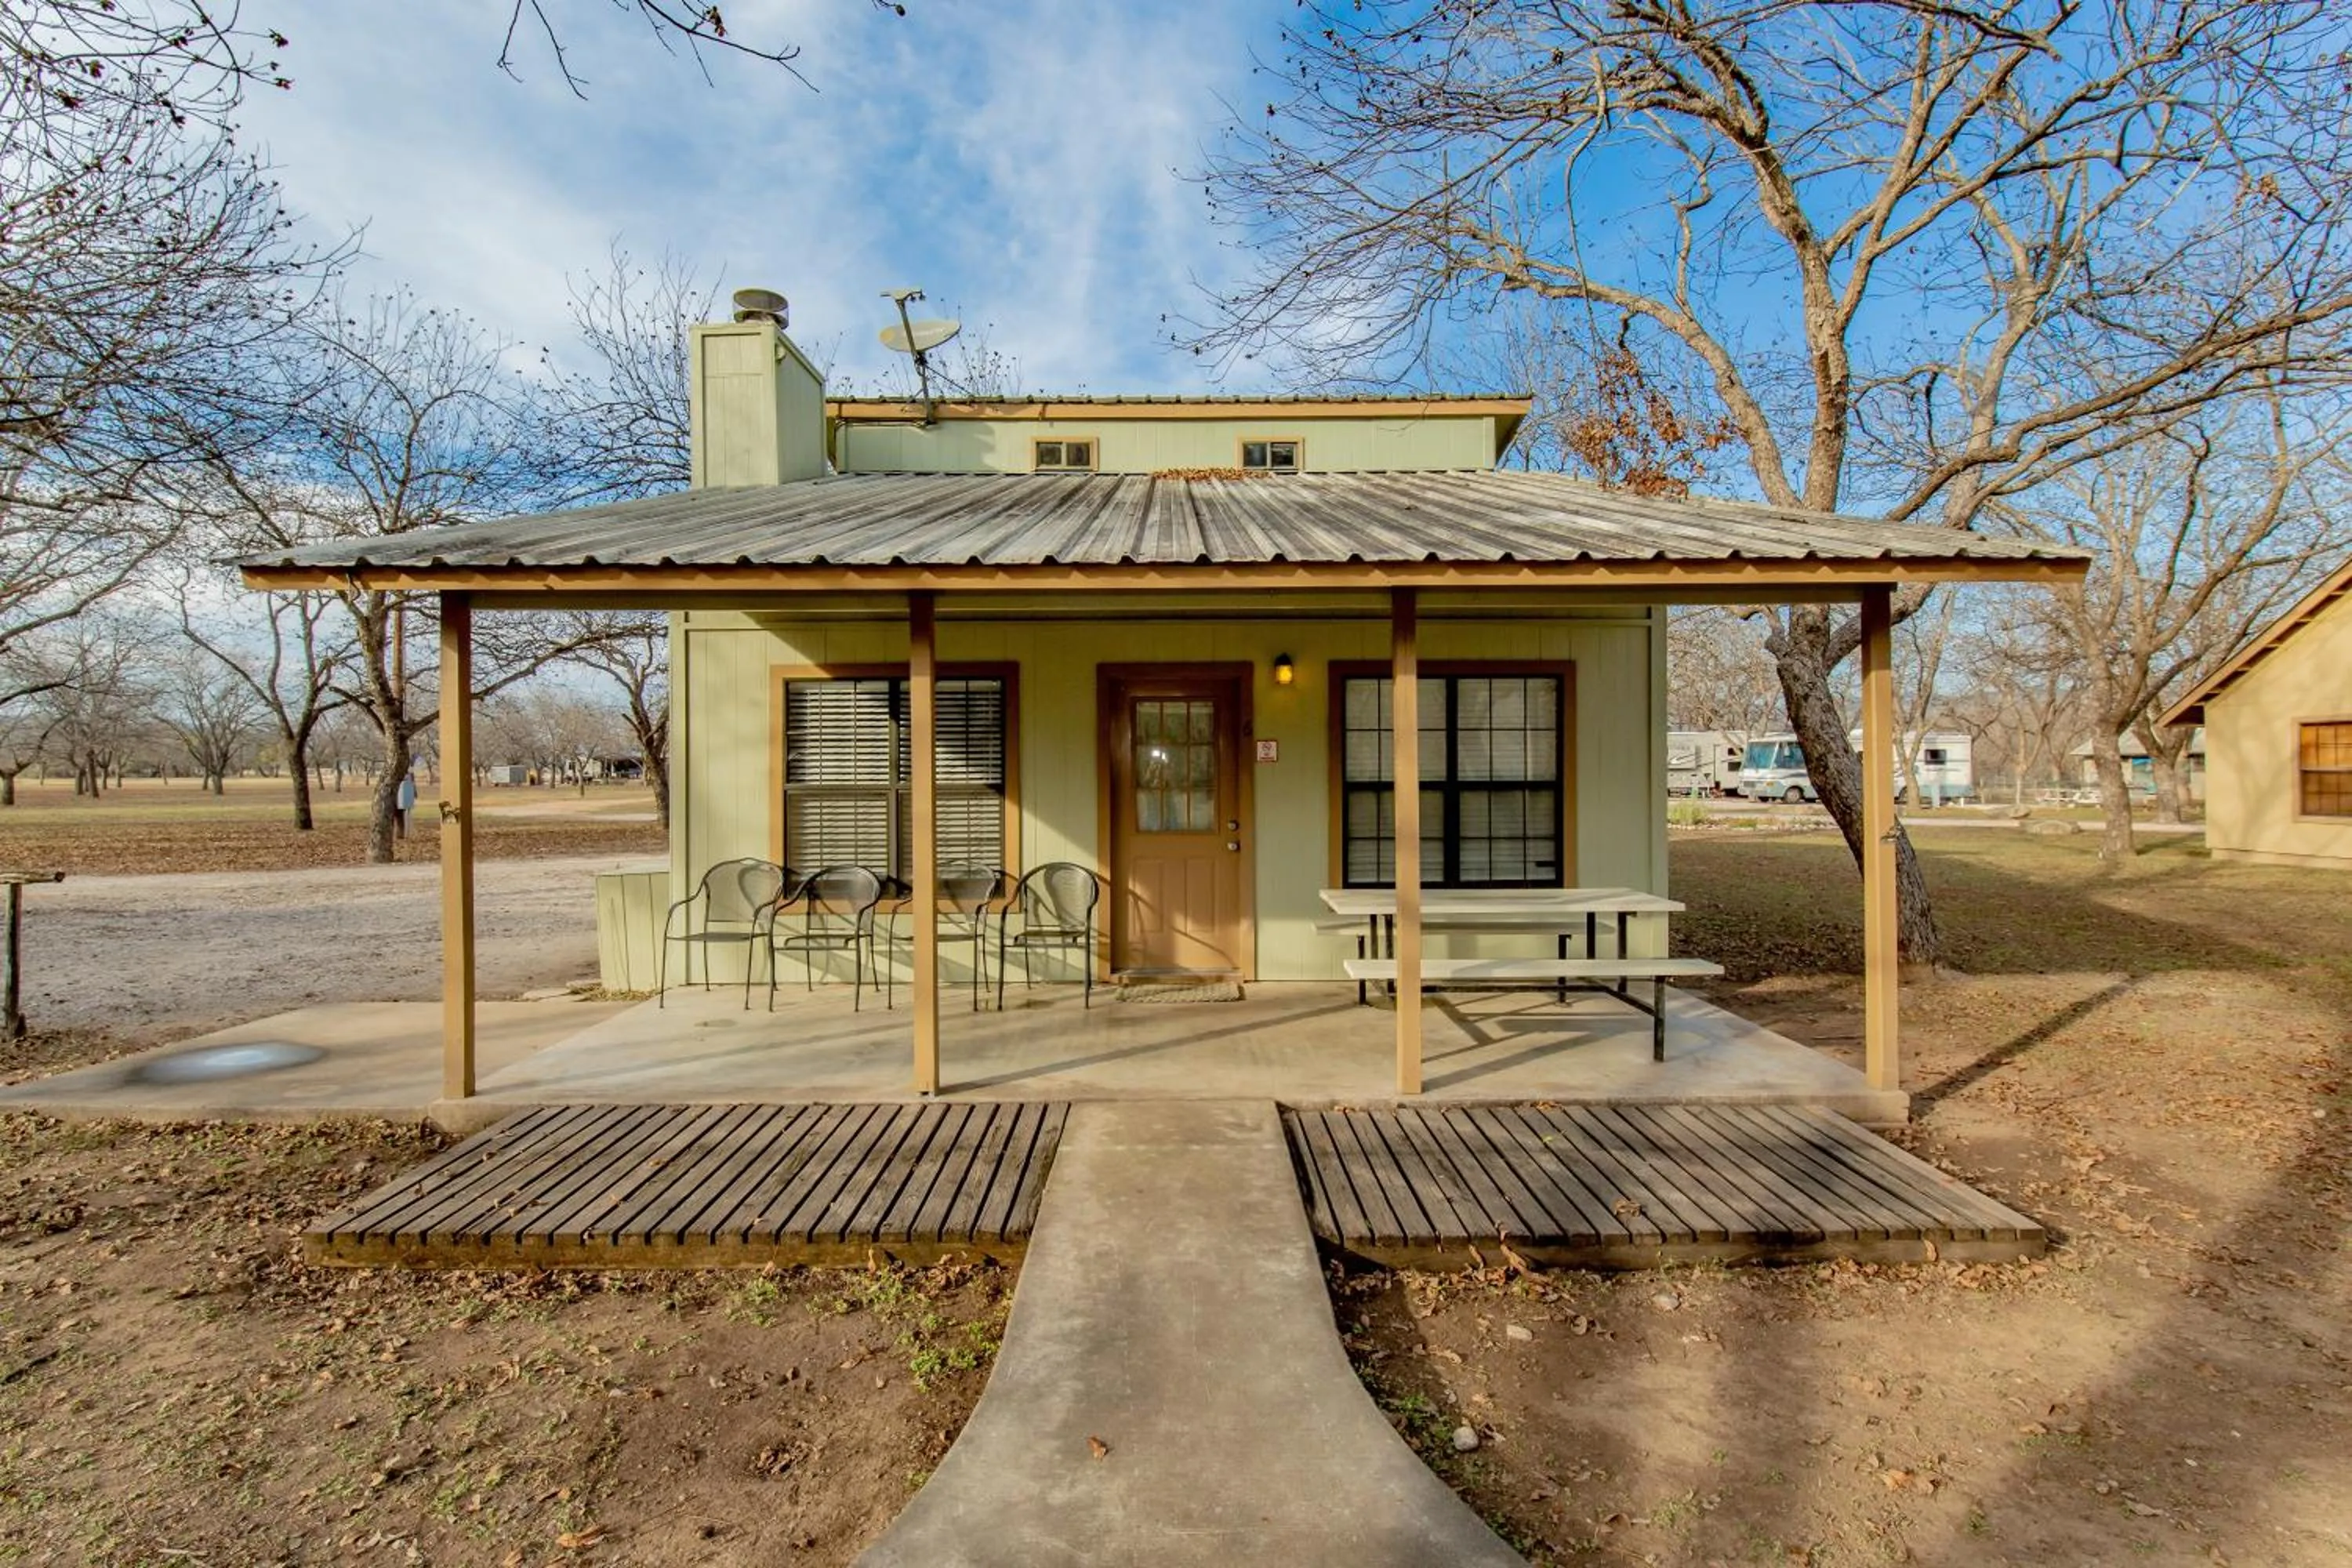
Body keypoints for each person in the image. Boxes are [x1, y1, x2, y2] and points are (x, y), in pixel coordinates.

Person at [396, 771, 418, 840]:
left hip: (406, 797)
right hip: (401, 797)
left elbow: (413, 784)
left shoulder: (410, 774)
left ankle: (406, 834)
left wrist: (414, 792)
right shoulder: (399, 773)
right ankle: (402, 833)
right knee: (402, 816)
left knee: (407, 816)